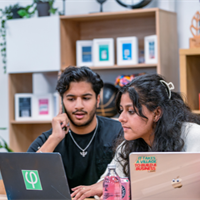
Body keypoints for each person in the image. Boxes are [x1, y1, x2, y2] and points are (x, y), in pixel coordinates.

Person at [71, 73, 200, 200]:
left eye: (131, 111)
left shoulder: (192, 134)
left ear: (156, 113)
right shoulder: (128, 146)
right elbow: (105, 184)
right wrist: (103, 187)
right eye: (121, 110)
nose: (121, 118)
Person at [27, 66, 123, 192]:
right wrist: (55, 139)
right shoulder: (49, 138)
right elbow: (27, 179)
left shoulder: (119, 132)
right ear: (62, 102)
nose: (78, 106)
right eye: (71, 99)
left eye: (86, 98)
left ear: (97, 100)